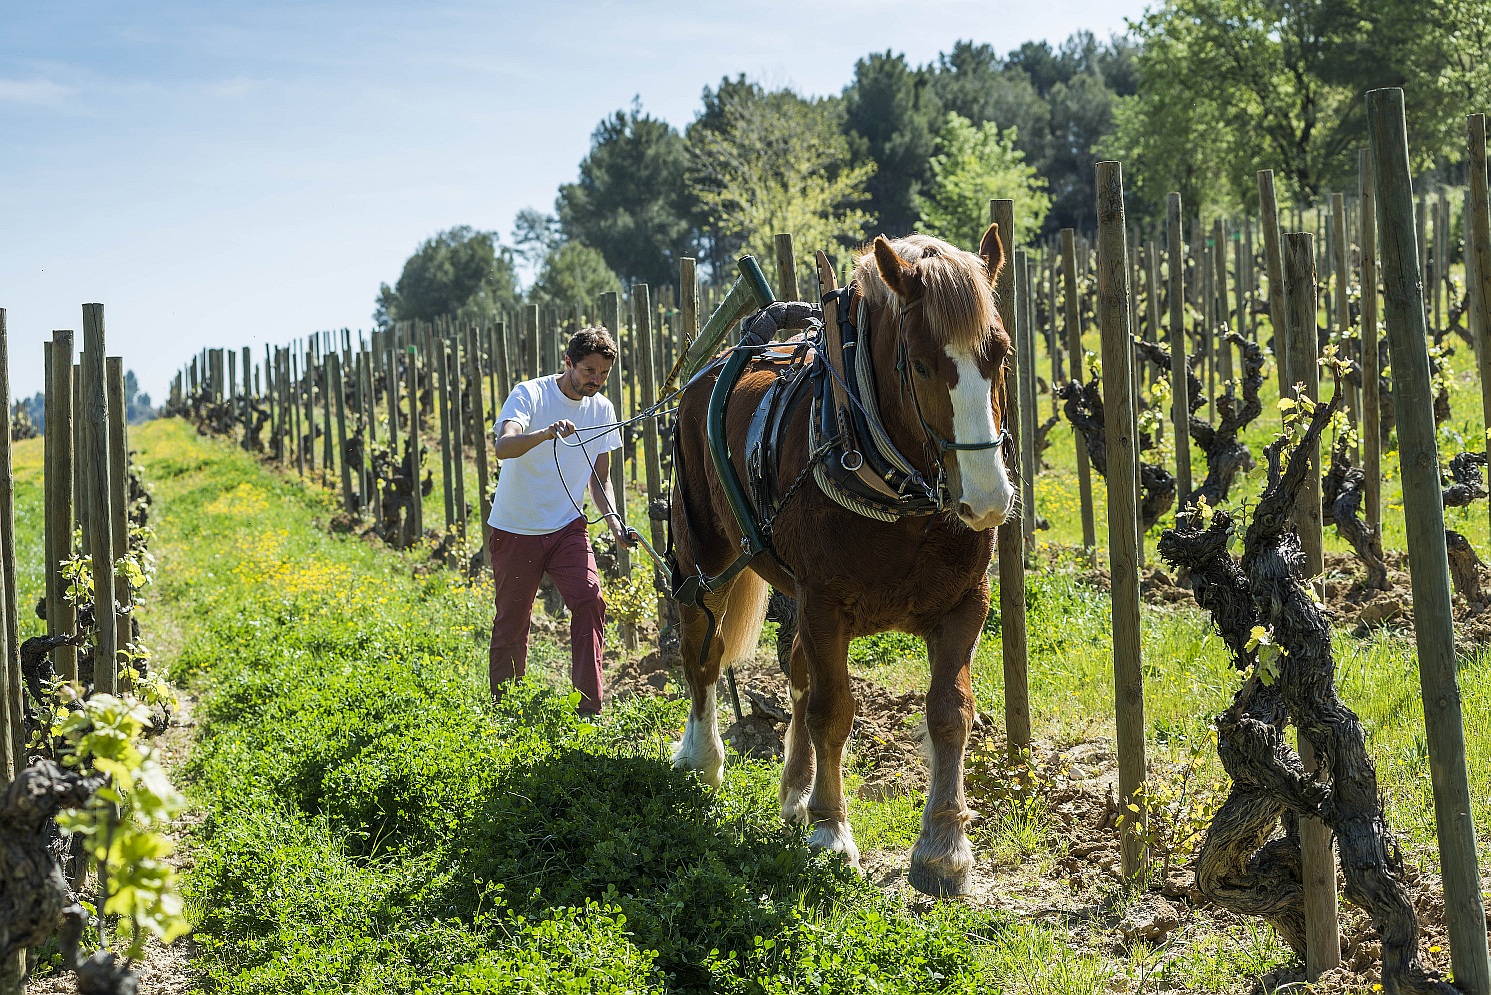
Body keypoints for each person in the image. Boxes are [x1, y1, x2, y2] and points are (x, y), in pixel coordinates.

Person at [488, 327, 628, 714]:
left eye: (603, 374)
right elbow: (503, 447)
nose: (596, 381)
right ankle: (506, 710)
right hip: (516, 528)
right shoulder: (530, 394)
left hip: (567, 526)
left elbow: (601, 479)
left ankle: (589, 709)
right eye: (588, 371)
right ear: (568, 363)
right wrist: (545, 433)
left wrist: (614, 522)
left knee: (589, 600)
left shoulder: (603, 410)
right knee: (512, 622)